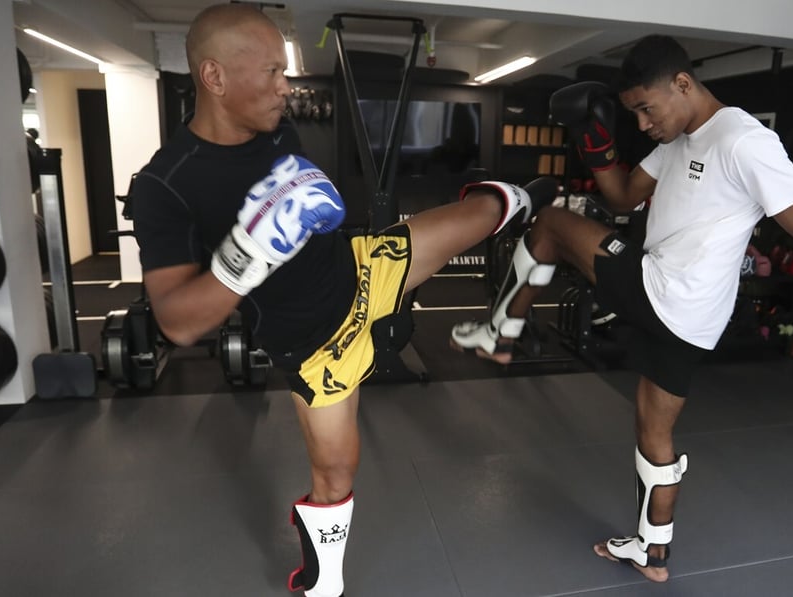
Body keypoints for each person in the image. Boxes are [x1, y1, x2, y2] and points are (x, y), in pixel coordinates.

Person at [128, 5, 554, 596]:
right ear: (214, 76)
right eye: (272, 72)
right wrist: (251, 250)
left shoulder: (274, 126)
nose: (286, 86)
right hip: (313, 346)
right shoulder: (163, 186)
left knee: (485, 211)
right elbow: (175, 322)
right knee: (336, 474)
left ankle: (532, 202)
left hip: (361, 268)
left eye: (286, 71)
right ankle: (323, 580)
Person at [451, 34, 793, 583]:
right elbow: (622, 197)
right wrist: (593, 139)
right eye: (635, 115)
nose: (646, 124)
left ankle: (498, 332)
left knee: (551, 222)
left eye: (647, 109)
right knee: (653, 432)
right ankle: (652, 552)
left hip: (667, 291)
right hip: (693, 319)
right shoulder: (676, 139)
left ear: (682, 83)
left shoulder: (743, 140)